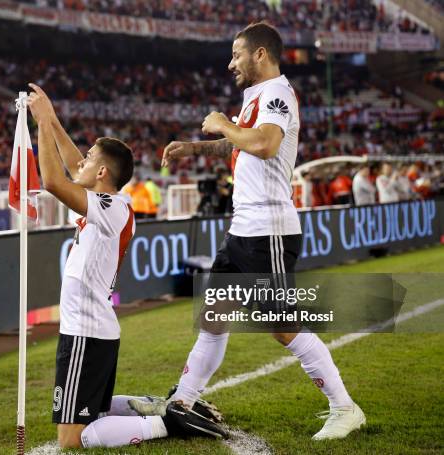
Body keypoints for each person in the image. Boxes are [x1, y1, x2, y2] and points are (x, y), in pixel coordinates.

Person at [132, 22, 365, 441]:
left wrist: (222, 123)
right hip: (244, 228)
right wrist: (195, 147)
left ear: (260, 54)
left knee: (281, 325)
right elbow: (241, 142)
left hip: (269, 230)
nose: (230, 62)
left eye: (237, 54)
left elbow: (265, 144)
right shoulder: (257, 95)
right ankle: (182, 400)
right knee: (213, 318)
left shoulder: (276, 91)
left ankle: (345, 408)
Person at [26, 84, 226, 449]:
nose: (80, 163)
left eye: (89, 159)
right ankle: (153, 407)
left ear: (102, 172)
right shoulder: (107, 202)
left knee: (73, 438)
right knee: (94, 415)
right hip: (91, 329)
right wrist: (52, 120)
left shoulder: (110, 207)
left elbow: (55, 180)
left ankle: (167, 423)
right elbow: (73, 166)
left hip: (86, 332)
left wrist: (40, 122)